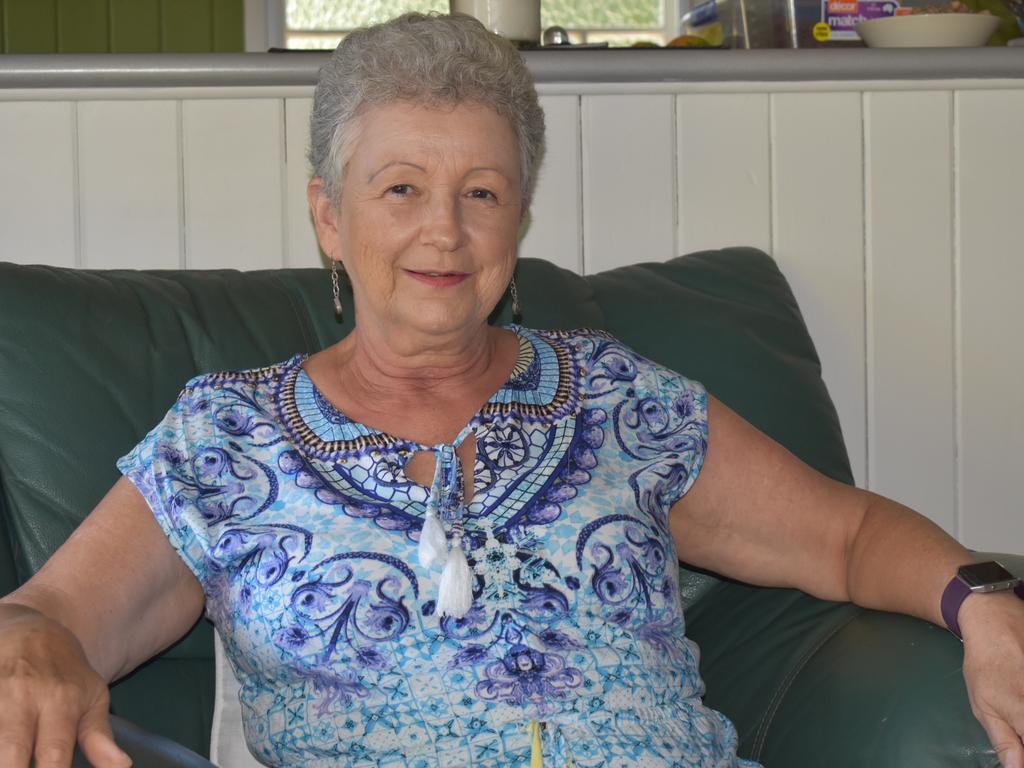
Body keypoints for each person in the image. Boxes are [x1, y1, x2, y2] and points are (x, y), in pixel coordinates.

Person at [1, 11, 1022, 768]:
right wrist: (33, 648)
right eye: (400, 188)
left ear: (517, 218)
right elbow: (50, 612)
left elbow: (844, 537)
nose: (443, 232)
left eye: (480, 194)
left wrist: (981, 602)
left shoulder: (617, 397)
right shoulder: (226, 435)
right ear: (328, 214)